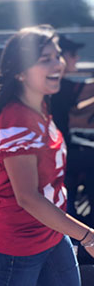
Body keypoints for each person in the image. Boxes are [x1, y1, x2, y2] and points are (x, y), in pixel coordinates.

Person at [0, 25, 94, 286]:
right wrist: (87, 235)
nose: (59, 63)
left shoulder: (39, 104)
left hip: (54, 232)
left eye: (57, 56)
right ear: (20, 71)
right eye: (45, 59)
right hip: (19, 243)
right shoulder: (16, 120)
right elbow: (27, 197)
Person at [50, 35, 94, 224]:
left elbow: (76, 109)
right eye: (73, 54)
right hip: (56, 148)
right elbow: (86, 91)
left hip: (63, 141)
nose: (77, 58)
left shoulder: (61, 85)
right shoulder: (58, 85)